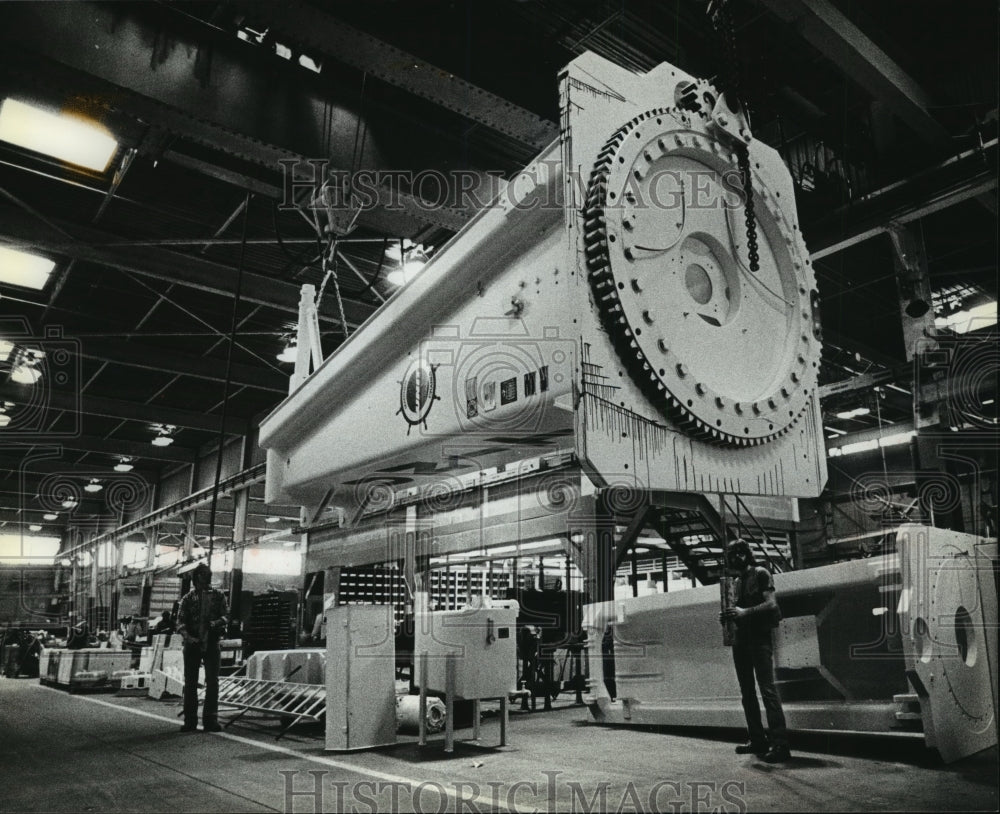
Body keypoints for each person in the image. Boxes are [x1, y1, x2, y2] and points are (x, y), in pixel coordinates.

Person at [719, 539, 790, 763]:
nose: (736, 558)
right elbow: (738, 611)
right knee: (747, 693)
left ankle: (781, 745)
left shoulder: (761, 573)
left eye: (739, 553)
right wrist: (729, 617)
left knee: (767, 691)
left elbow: (772, 605)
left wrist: (743, 613)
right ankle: (758, 739)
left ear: (746, 554)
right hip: (741, 640)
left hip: (759, 639)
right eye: (732, 554)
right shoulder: (737, 582)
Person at [176, 563, 229, 733]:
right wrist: (188, 637)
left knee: (213, 682)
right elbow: (180, 622)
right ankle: (190, 720)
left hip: (212, 642)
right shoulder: (187, 598)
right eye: (205, 574)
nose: (208, 577)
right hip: (192, 644)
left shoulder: (219, 596)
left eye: (209, 574)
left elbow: (226, 616)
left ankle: (210, 720)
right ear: (197, 577)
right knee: (190, 682)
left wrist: (215, 623)